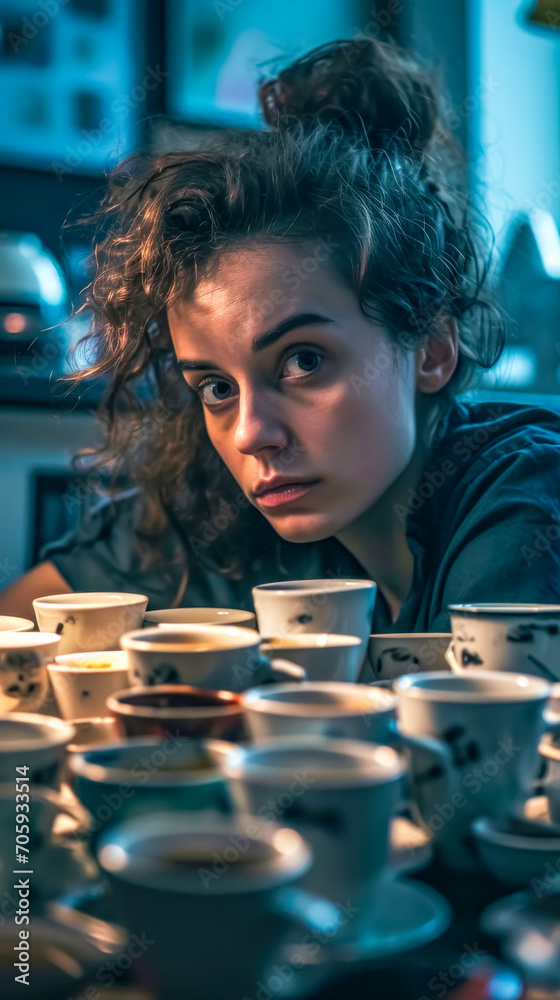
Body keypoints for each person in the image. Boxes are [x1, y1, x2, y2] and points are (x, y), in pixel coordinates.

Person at [2, 38, 560, 633]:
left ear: (433, 349)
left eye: (303, 361)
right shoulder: (230, 511)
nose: (250, 436)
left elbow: (472, 719)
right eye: (216, 387)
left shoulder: (526, 503)